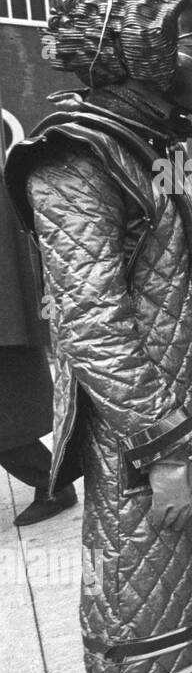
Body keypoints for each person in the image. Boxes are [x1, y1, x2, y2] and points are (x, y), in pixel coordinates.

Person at [3, 0, 192, 673]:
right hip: (144, 436)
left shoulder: (145, 147)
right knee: (139, 591)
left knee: (176, 591)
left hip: (185, 414)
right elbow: (92, 324)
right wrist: (159, 447)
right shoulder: (74, 157)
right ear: (137, 53)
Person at [0, 180, 77, 526]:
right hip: (9, 322)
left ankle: (52, 483)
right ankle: (52, 482)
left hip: (7, 327)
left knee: (8, 423)